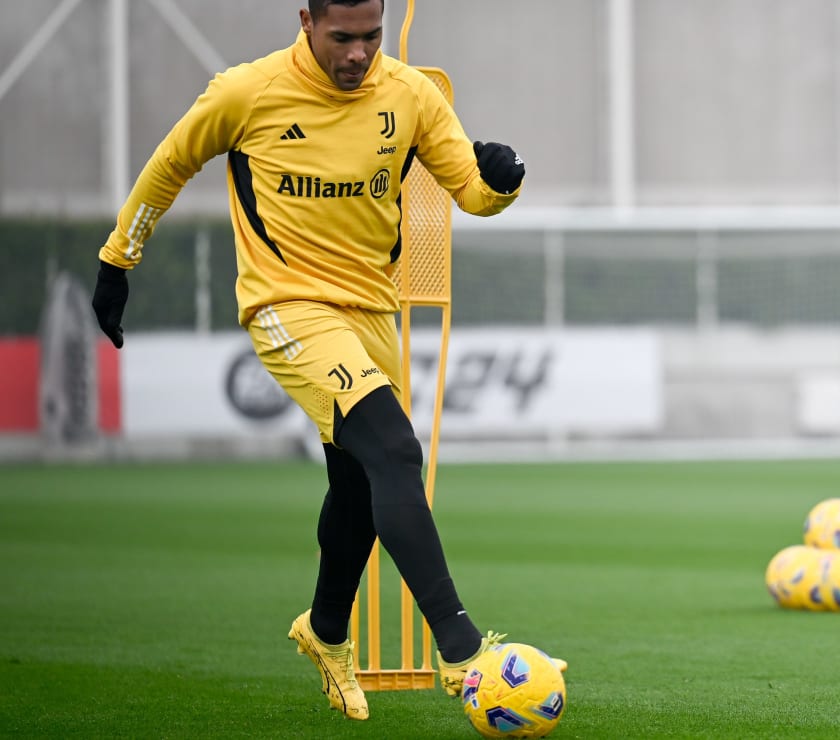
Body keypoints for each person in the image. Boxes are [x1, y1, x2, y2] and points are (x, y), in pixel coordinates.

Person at [90, 0, 561, 721]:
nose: (358, 53)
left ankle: (326, 631)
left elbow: (467, 189)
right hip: (287, 306)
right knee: (397, 455)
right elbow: (169, 164)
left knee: (358, 489)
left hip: (374, 311)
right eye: (342, 38)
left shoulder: (410, 94)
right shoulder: (246, 92)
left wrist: (500, 182)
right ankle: (464, 652)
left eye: (371, 36)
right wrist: (118, 260)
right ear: (306, 20)